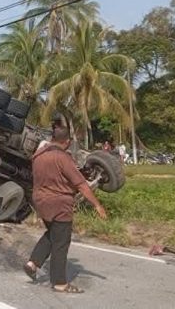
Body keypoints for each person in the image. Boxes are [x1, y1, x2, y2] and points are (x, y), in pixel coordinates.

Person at [23, 125, 107, 294]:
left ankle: (33, 263)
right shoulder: (62, 158)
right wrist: (97, 205)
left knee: (53, 233)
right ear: (67, 142)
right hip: (59, 204)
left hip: (40, 200)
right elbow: (81, 184)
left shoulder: (38, 155)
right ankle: (59, 282)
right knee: (61, 242)